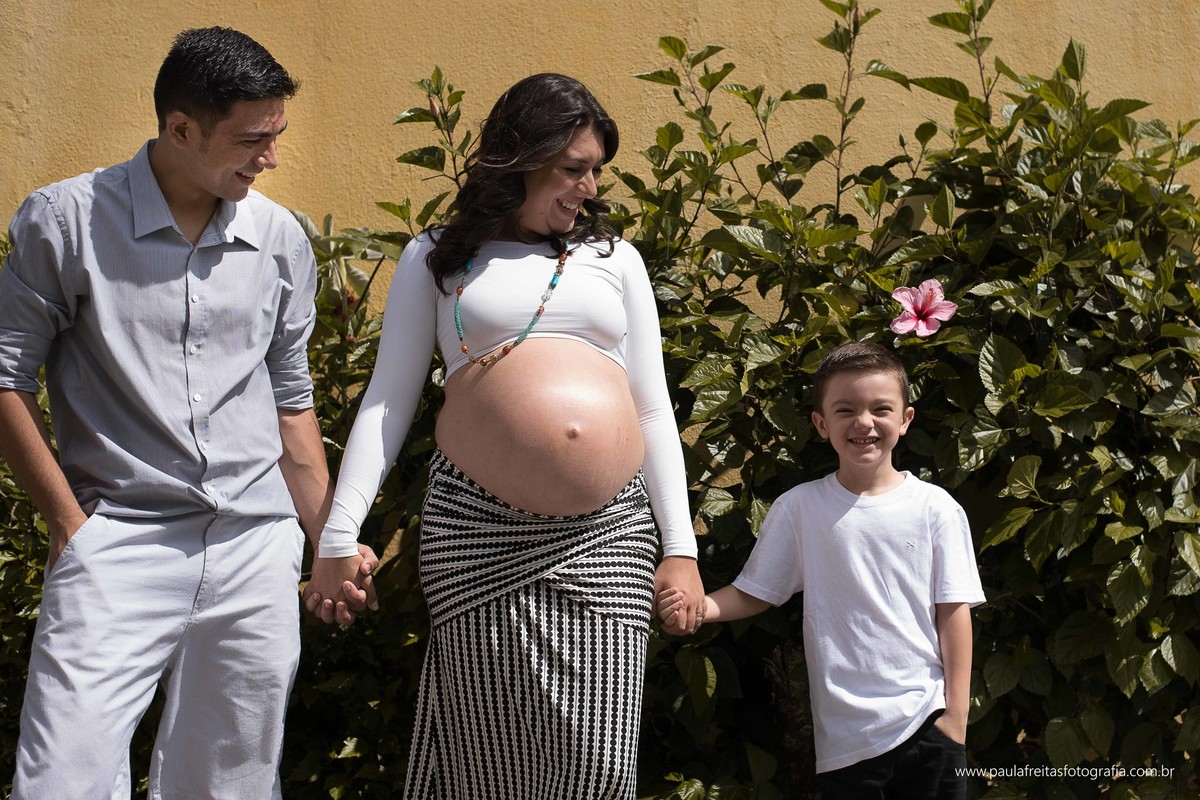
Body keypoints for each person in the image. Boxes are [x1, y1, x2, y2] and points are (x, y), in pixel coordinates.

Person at [307, 72, 704, 799]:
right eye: (573, 169)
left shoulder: (616, 260)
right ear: (522, 157)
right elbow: (388, 404)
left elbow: (652, 411)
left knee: (599, 764)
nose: (588, 188)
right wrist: (337, 535)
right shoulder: (437, 257)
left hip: (607, 539)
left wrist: (680, 549)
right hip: (476, 533)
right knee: (486, 759)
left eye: (596, 172)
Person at [0, 27, 374, 799]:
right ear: (180, 128)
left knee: (228, 783)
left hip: (254, 549)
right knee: (60, 780)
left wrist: (327, 539)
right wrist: (70, 526)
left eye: (276, 136)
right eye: (251, 139)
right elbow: (5, 376)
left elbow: (291, 404)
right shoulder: (64, 222)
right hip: (117, 539)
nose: (269, 157)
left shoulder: (279, 241)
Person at [659, 341, 985, 799]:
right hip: (844, 744)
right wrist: (701, 608)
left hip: (928, 723)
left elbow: (954, 612)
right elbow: (758, 591)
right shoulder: (799, 508)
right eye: (846, 409)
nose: (864, 422)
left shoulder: (937, 510)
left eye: (881, 409)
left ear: (906, 419)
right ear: (820, 423)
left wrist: (955, 719)